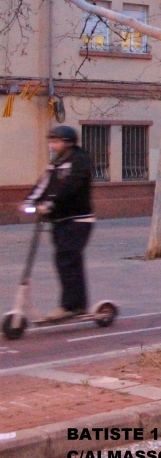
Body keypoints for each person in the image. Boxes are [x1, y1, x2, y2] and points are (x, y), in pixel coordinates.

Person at [24, 126, 95, 320]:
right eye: (51, 141)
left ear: (68, 142)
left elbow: (71, 186)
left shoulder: (80, 160)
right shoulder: (55, 163)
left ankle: (69, 306)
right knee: (69, 261)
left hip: (78, 220)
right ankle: (78, 305)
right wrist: (30, 201)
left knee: (67, 259)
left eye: (56, 142)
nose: (52, 145)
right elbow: (43, 184)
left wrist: (51, 203)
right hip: (59, 220)